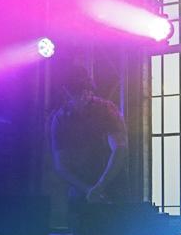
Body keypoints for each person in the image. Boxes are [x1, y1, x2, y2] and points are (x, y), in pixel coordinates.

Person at [49, 64, 129, 224]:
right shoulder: (61, 118)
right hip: (82, 190)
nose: (84, 95)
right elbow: (61, 166)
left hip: (112, 186)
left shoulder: (106, 110)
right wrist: (89, 190)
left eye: (86, 90)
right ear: (67, 92)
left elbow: (119, 149)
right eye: (77, 91)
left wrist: (100, 186)